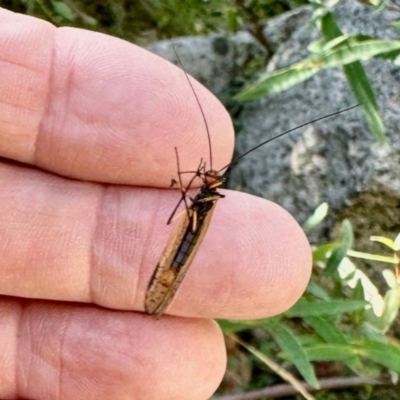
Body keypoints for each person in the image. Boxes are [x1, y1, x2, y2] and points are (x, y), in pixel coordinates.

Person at [0, 7, 311, 400]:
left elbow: (185, 215)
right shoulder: (200, 189)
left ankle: (159, 295)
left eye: (210, 180)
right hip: (181, 226)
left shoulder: (203, 196)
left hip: (179, 249)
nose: (207, 179)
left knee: (180, 253)